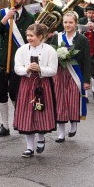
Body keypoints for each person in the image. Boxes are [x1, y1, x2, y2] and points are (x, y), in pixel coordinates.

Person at [0, 0, 35, 137]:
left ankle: (19, 120)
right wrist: (5, 19)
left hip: (19, 62)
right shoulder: (3, 13)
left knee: (15, 93)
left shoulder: (29, 18)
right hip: (1, 60)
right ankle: (5, 125)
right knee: (1, 93)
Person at [13, 23, 58, 157]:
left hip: (42, 85)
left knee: (40, 111)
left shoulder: (50, 50)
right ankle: (29, 147)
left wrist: (40, 69)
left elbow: (53, 70)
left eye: (32, 36)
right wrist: (26, 69)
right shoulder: (21, 50)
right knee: (27, 115)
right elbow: (17, 68)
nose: (29, 38)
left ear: (40, 36)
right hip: (26, 85)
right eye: (27, 35)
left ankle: (41, 138)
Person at [50, 12, 91, 142]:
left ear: (76, 23)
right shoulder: (57, 38)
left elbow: (86, 60)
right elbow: (50, 54)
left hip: (75, 72)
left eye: (70, 22)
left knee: (73, 99)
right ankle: (61, 133)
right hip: (59, 73)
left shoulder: (82, 40)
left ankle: (73, 124)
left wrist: (86, 80)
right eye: (65, 22)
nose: (68, 25)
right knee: (59, 100)